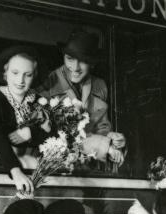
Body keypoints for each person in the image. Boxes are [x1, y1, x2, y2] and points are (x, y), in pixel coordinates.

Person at [37, 29, 125, 167]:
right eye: (70, 59)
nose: (76, 67)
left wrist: (111, 138)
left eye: (83, 60)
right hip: (51, 165)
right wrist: (104, 145)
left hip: (87, 165)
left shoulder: (100, 86)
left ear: (92, 63)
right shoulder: (48, 82)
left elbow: (101, 127)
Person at [0, 46, 50, 195]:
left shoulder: (39, 101)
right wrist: (16, 172)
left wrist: (30, 132)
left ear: (34, 75)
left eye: (28, 75)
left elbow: (52, 134)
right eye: (15, 73)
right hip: (1, 172)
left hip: (34, 174)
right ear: (5, 73)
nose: (21, 80)